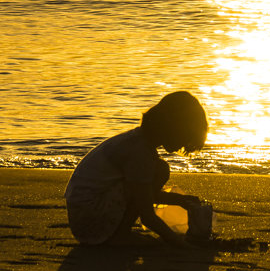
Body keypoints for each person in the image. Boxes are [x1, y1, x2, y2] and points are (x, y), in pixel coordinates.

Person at [64, 91, 208, 247]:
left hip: (84, 214)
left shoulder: (137, 140)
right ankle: (121, 234)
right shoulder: (139, 153)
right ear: (174, 129)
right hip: (89, 219)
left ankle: (120, 232)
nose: (183, 146)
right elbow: (147, 215)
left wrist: (179, 200)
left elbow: (142, 194)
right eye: (186, 138)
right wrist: (179, 243)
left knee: (158, 169)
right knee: (160, 170)